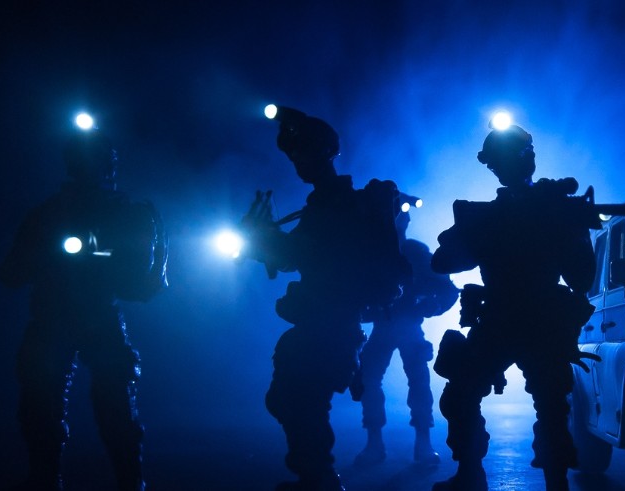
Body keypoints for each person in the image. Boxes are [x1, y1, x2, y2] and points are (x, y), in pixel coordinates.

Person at [240, 106, 411, 491]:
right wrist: (263, 240)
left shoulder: (338, 205)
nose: (298, 163)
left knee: (297, 399)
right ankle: (316, 475)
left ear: (323, 153)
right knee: (295, 399)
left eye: (303, 153)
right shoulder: (326, 204)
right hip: (328, 321)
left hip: (332, 323)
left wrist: (263, 238)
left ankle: (319, 478)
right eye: (294, 155)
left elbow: (298, 255)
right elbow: (293, 256)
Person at [0, 124, 168, 491]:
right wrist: (46, 255)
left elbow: (140, 285)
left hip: (95, 317)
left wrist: (132, 257)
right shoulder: (49, 215)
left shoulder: (124, 216)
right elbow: (10, 273)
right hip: (58, 317)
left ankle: (129, 482)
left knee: (114, 409)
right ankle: (47, 479)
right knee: (41, 407)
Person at [429, 123, 597, 491]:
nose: (500, 169)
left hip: (522, 317)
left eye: (501, 162)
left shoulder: (549, 211)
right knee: (467, 393)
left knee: (550, 407)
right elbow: (443, 262)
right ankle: (474, 474)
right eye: (496, 164)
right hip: (518, 317)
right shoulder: (503, 214)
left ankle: (546, 481)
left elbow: (582, 279)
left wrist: (573, 229)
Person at [353, 198, 460, 467]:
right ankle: (377, 443)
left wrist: (430, 305)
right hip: (386, 326)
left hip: (408, 325)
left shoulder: (412, 252)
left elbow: (446, 289)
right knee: (370, 381)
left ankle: (420, 442)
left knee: (417, 382)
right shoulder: (374, 254)